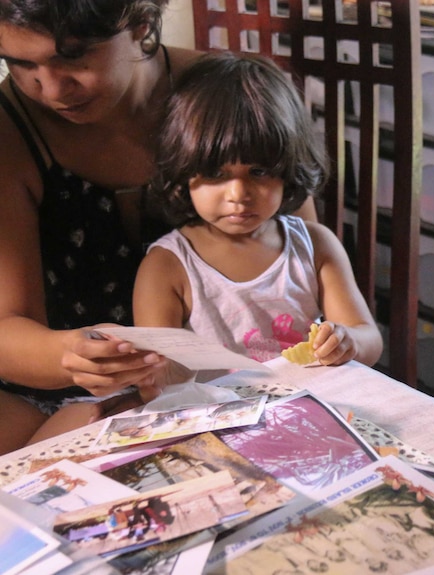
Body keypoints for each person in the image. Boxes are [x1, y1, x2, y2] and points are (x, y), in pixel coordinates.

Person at [0, 0, 317, 454]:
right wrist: (74, 355)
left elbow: (301, 256)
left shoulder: (232, 98)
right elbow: (8, 330)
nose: (51, 88)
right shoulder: (8, 131)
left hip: (226, 380)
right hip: (57, 387)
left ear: (142, 24)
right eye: (20, 63)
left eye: (72, 56)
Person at [134, 51, 383, 371]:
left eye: (259, 172)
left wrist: (347, 341)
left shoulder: (315, 246)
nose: (238, 195)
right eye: (216, 174)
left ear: (287, 170)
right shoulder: (167, 267)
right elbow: (158, 381)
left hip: (313, 407)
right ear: (184, 172)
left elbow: (370, 342)